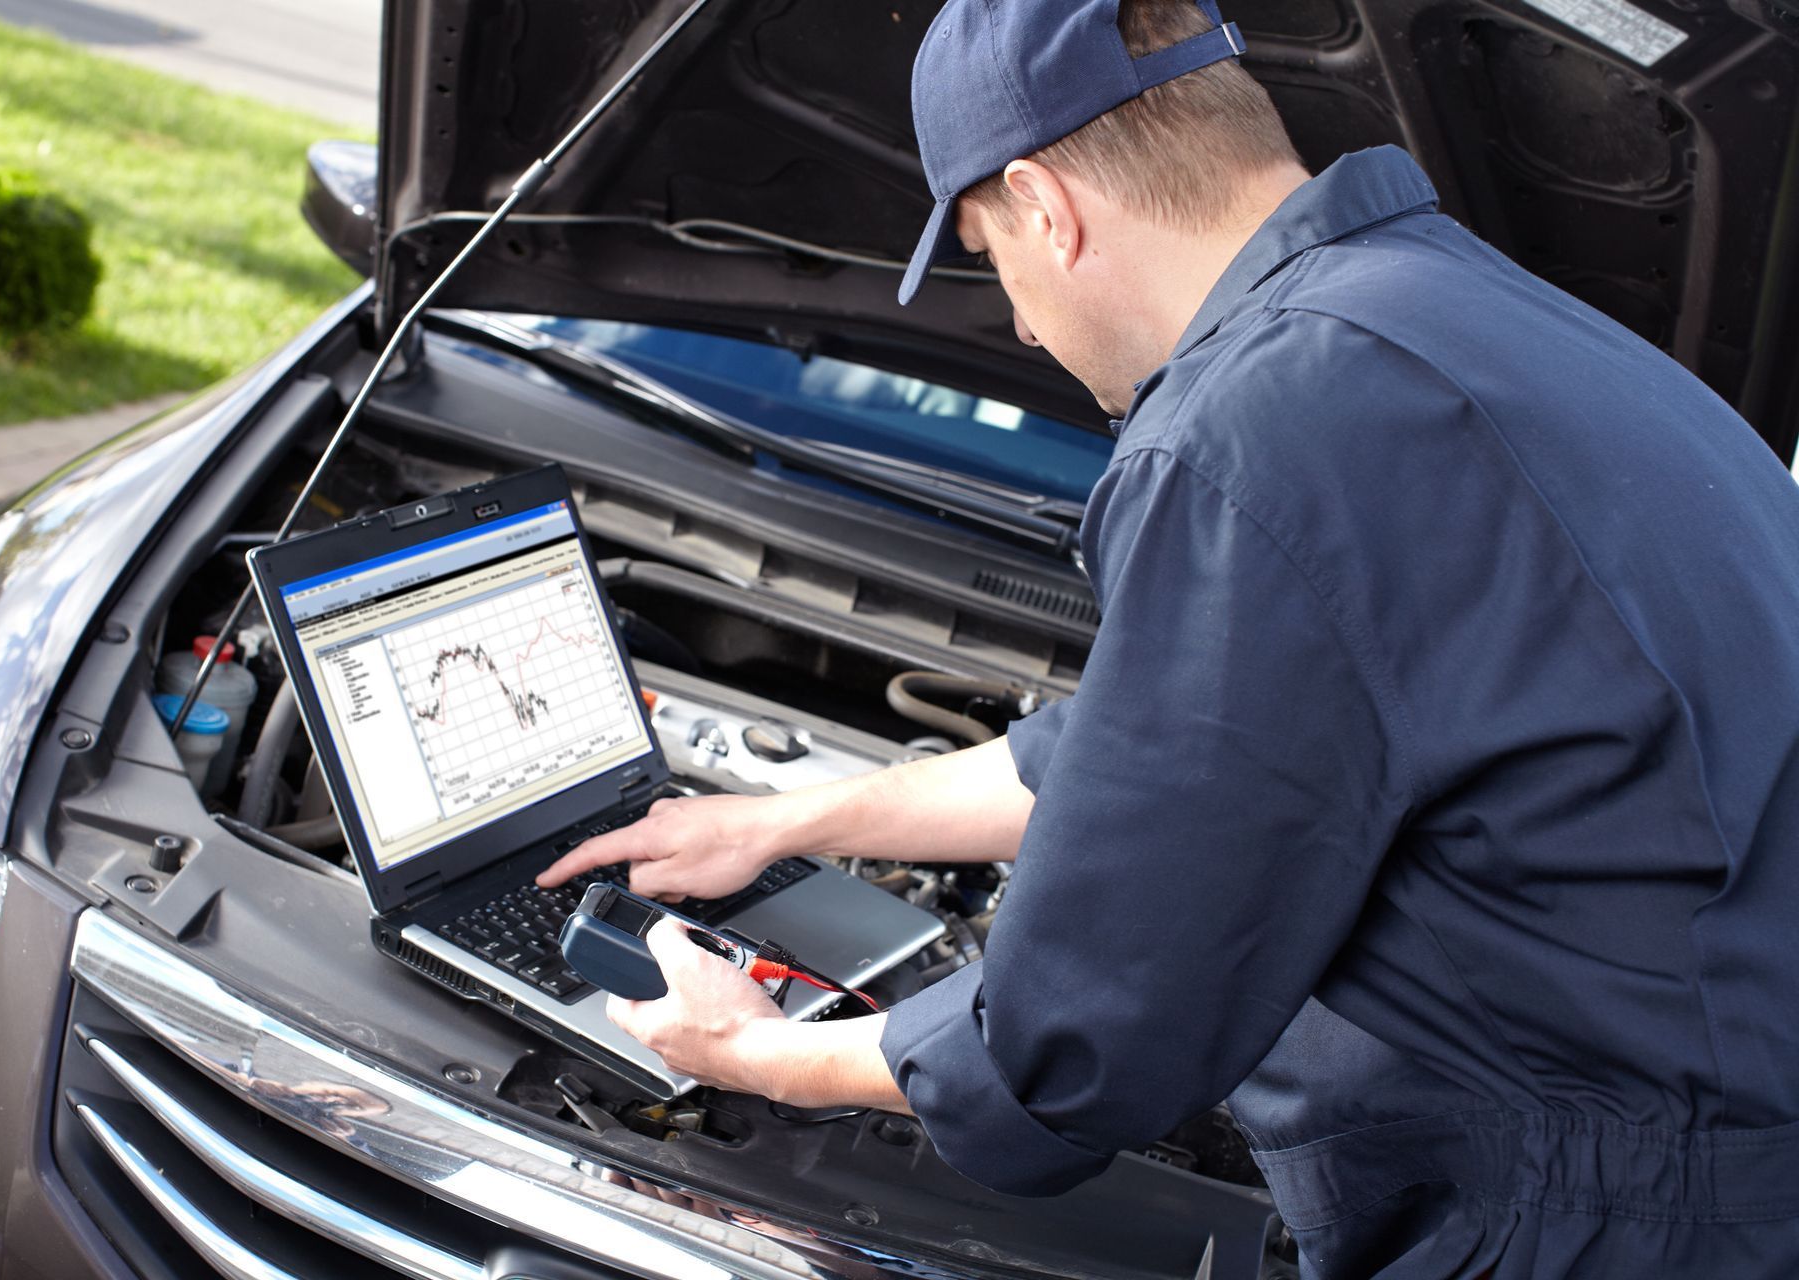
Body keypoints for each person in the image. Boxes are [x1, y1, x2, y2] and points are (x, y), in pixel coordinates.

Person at [537, 0, 1799, 1273]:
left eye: (989, 257)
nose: (1022, 324)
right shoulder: (1443, 314)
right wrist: (787, 820)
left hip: (1608, 1220)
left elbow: (1081, 1038)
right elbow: (1171, 754)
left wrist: (759, 1052)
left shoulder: (1257, 429)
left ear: (1044, 204)